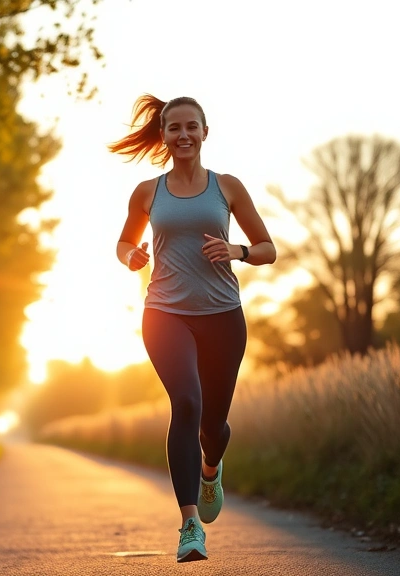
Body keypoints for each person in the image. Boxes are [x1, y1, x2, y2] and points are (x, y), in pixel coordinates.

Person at [109, 95, 276, 563]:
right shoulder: (148, 191)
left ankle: (211, 467)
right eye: (173, 128)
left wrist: (237, 251)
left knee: (213, 425)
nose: (182, 135)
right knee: (186, 402)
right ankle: (188, 527)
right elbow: (124, 242)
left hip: (222, 315)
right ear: (163, 135)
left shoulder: (227, 187)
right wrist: (131, 257)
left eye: (191, 127)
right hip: (164, 313)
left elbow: (268, 248)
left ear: (204, 133)